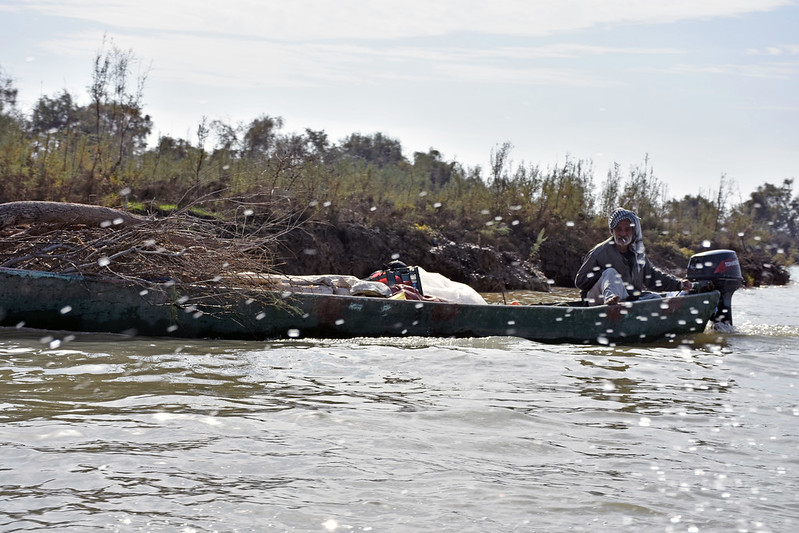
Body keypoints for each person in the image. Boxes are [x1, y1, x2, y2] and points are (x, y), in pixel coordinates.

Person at [575, 208, 692, 305]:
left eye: (627, 229)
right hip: (595, 301)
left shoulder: (637, 253)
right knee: (610, 273)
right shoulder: (599, 252)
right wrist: (603, 274)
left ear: (633, 231)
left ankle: (619, 306)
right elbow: (580, 281)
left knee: (657, 300)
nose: (623, 234)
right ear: (612, 231)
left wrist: (679, 284)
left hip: (626, 300)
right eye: (618, 229)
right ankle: (611, 302)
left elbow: (652, 277)